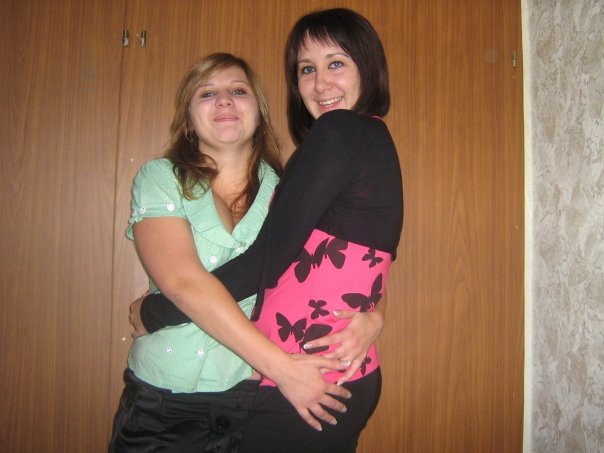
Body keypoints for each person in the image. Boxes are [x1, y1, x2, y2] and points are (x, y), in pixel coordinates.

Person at [136, 8, 403, 453]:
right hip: (320, 373)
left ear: (367, 68)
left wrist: (154, 312)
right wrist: (375, 314)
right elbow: (367, 257)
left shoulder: (338, 132)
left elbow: (267, 259)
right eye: (306, 69)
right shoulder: (363, 140)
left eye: (336, 63)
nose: (321, 84)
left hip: (306, 377)